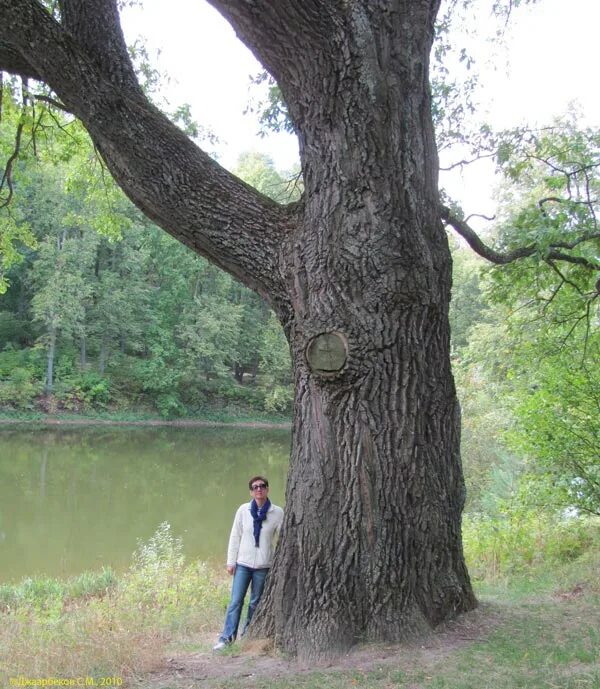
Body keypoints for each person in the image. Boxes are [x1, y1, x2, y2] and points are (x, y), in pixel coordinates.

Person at [212, 475, 283, 651]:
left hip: (263, 566)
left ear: (267, 489)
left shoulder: (277, 513)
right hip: (243, 564)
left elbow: (283, 539)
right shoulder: (243, 510)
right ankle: (226, 638)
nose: (259, 489)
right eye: (255, 487)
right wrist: (231, 561)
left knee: (255, 603)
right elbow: (235, 536)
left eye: (262, 486)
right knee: (236, 601)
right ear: (251, 492)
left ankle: (247, 635)